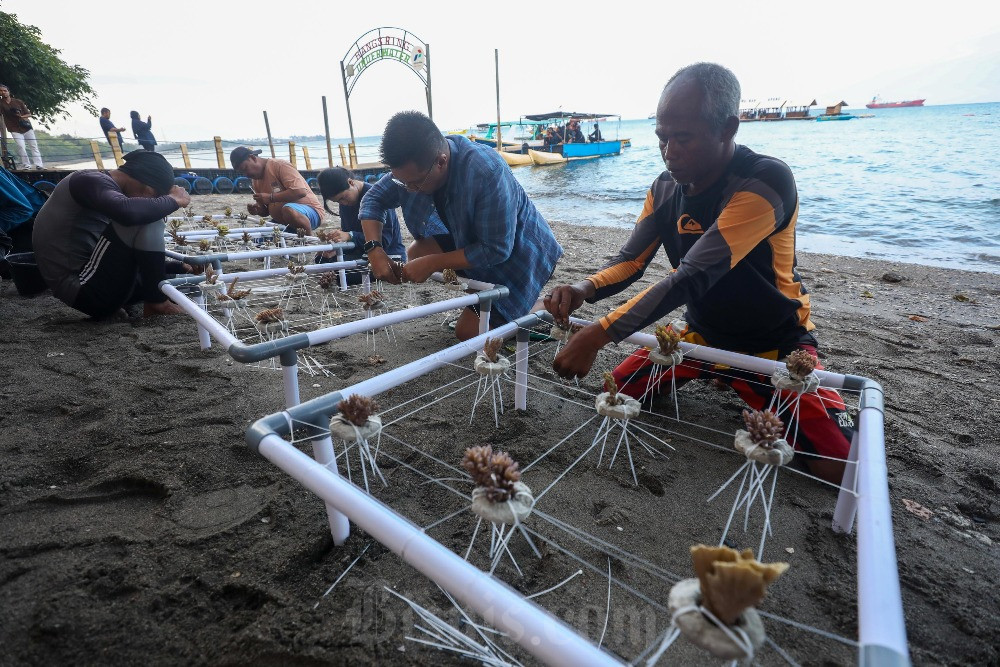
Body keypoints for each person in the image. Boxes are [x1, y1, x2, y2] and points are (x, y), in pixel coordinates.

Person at [544, 62, 853, 484]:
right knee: (612, 395)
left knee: (837, 467)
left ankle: (768, 388)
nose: (669, 151)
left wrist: (597, 334)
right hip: (700, 336)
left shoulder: (765, 181)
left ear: (728, 128)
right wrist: (583, 288)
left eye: (683, 138)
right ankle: (719, 378)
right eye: (661, 138)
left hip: (774, 344)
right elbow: (631, 262)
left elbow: (691, 277)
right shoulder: (664, 188)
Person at [359, 110, 563, 341]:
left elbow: (496, 249)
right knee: (416, 254)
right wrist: (375, 249)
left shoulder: (486, 172)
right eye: (401, 182)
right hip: (469, 240)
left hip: (521, 255)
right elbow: (372, 200)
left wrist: (433, 263)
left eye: (415, 184)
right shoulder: (414, 169)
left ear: (441, 162)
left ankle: (533, 307)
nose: (407, 189)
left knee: (467, 334)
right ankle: (490, 306)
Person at [32, 150, 193, 318]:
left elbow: (117, 255)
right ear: (147, 189)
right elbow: (129, 213)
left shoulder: (104, 191)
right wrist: (174, 200)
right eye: (155, 196)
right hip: (82, 288)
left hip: (96, 279)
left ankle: (159, 292)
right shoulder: (87, 180)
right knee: (145, 217)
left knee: (178, 279)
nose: (151, 201)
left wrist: (178, 266)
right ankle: (157, 303)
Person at [315, 167, 405, 283]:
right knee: (321, 259)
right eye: (338, 201)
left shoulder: (375, 197)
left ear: (351, 182)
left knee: (338, 272)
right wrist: (338, 247)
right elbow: (350, 234)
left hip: (387, 254)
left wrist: (350, 236)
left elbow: (384, 240)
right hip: (361, 252)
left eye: (343, 198)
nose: (343, 203)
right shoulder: (346, 203)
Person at [230, 146, 324, 235]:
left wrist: (271, 197)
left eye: (245, 168)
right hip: (283, 221)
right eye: (242, 172)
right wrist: (258, 210)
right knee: (257, 238)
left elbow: (300, 192)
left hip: (310, 212)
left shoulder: (279, 166)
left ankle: (309, 240)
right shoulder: (255, 181)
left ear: (253, 158)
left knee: (288, 210)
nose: (246, 174)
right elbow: (266, 212)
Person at [0, 84, 44, 169]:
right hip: (13, 128)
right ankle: (26, 165)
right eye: (1, 91)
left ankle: (39, 165)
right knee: (21, 146)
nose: (3, 92)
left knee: (33, 146)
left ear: (9, 92)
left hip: (26, 127)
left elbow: (29, 114)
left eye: (5, 91)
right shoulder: (1, 104)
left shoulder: (18, 102)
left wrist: (21, 116)